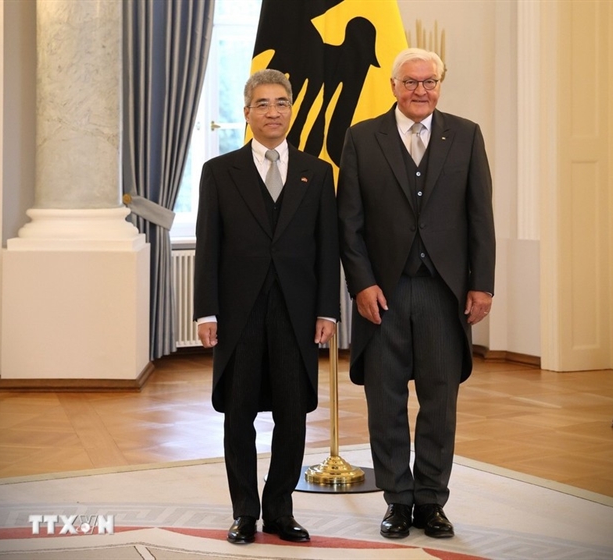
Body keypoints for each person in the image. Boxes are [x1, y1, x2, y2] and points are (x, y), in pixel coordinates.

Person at [337, 48, 495, 539]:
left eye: (430, 82)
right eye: (411, 82)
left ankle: (431, 501)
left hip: (444, 295)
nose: (420, 90)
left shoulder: (466, 135)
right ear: (393, 86)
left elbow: (480, 216)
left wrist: (482, 284)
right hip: (382, 294)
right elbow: (349, 222)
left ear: (440, 85)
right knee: (385, 403)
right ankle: (397, 501)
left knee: (439, 402)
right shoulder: (362, 138)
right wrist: (361, 283)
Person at [193, 69, 340, 545]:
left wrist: (327, 310)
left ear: (291, 110)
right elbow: (208, 245)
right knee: (238, 416)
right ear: (246, 112)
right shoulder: (219, 171)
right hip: (239, 314)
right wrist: (206, 311)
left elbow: (327, 247)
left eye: (281, 103)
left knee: (292, 416)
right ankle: (243, 511)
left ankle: (279, 510)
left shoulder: (317, 172)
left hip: (297, 314)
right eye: (263, 103)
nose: (273, 112)